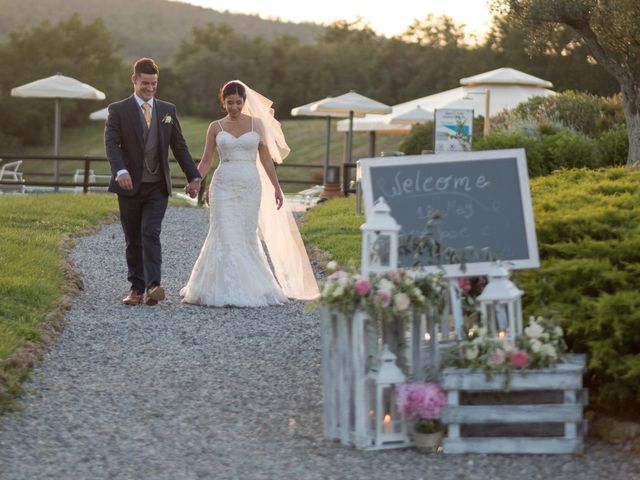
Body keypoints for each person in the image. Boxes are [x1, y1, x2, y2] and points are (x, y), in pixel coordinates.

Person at [180, 80, 319, 307]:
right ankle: (219, 288)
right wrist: (195, 180)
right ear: (223, 102)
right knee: (224, 232)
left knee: (245, 235)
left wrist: (276, 187)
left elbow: (265, 159)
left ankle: (251, 286)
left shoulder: (257, 125)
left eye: (238, 102)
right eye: (229, 103)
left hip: (249, 186)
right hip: (223, 185)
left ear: (244, 101)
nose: (234, 107)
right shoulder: (215, 127)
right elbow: (206, 160)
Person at [105, 57, 202, 306]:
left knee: (150, 232)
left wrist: (194, 176)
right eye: (145, 83)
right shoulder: (118, 110)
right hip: (129, 186)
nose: (149, 88)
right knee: (133, 238)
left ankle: (153, 286)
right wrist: (120, 171)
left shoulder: (167, 110)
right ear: (134, 80)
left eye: (154, 84)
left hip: (158, 185)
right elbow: (111, 145)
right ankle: (136, 289)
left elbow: (179, 146)